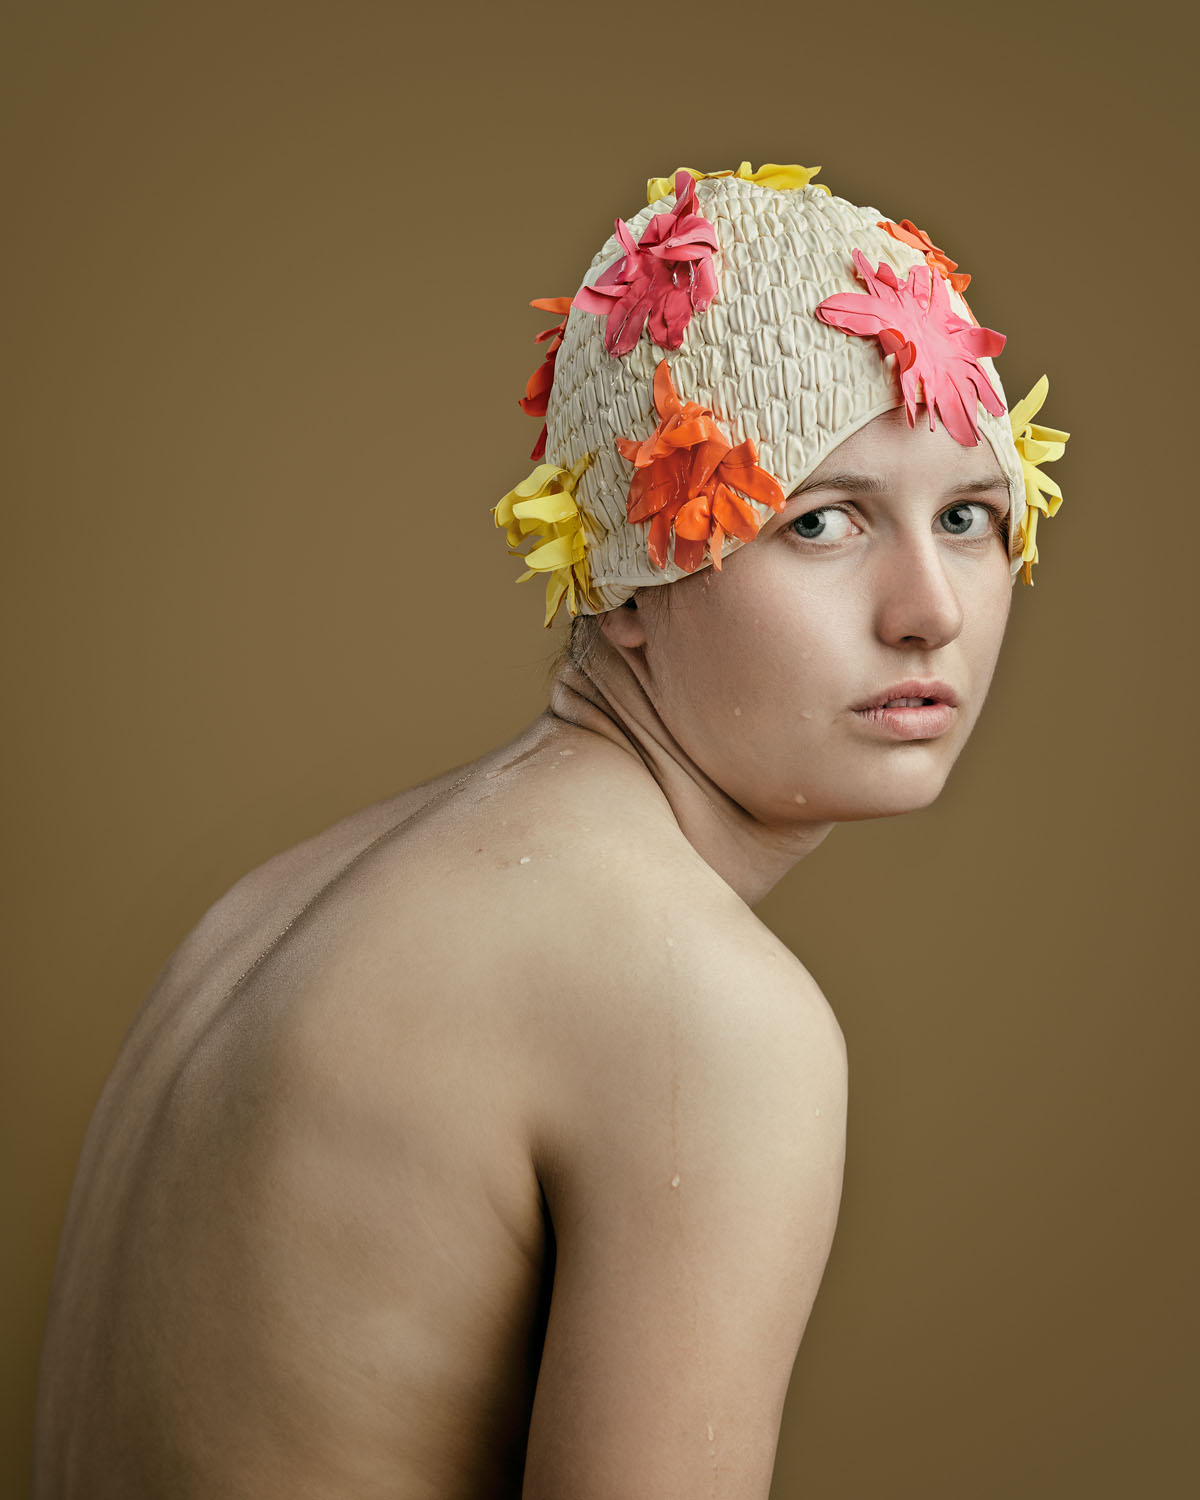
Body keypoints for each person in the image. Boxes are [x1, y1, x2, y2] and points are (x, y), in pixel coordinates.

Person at [33, 160, 1068, 1498]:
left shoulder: (270, 907)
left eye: (970, 517)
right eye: (821, 521)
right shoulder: (699, 1008)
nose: (931, 609)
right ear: (624, 580)